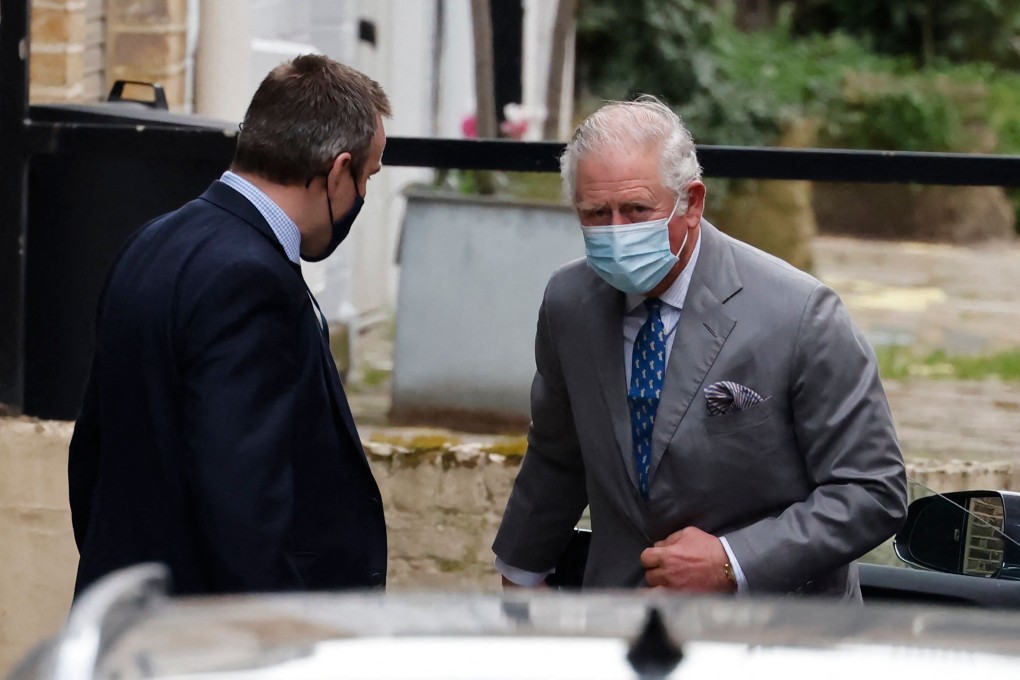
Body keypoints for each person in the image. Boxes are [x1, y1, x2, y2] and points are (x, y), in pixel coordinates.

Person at [492, 96, 907, 599]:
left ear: (692, 203)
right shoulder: (569, 303)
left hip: (774, 632)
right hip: (624, 619)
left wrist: (734, 562)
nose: (617, 232)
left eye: (637, 209)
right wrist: (521, 575)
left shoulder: (800, 314)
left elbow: (872, 490)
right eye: (596, 214)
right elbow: (558, 456)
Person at [68, 55, 390, 596]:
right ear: (338, 171)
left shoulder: (151, 240)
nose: (362, 195)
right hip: (213, 644)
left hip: (134, 622)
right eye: (368, 176)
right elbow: (243, 505)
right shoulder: (251, 279)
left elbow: (91, 456)